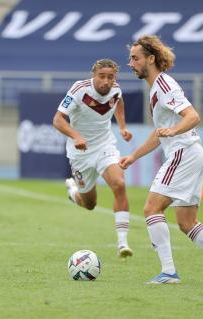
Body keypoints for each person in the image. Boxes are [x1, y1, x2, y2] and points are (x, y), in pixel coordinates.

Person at [120, 35, 203, 285]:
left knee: (151, 209)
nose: (130, 63)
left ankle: (168, 272)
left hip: (183, 153)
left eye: (135, 58)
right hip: (190, 152)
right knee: (187, 222)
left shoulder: (164, 86)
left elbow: (192, 116)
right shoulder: (157, 88)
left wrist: (174, 132)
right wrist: (133, 156)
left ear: (151, 59)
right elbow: (160, 134)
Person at [53, 59, 134, 258]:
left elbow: (119, 102)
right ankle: (74, 192)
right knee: (89, 204)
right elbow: (57, 119)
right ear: (94, 75)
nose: (106, 81)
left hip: (105, 146)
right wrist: (76, 136)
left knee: (119, 184)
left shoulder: (116, 89)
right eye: (102, 76)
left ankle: (123, 243)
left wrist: (122, 126)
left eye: (110, 77)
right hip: (80, 153)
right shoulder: (79, 89)